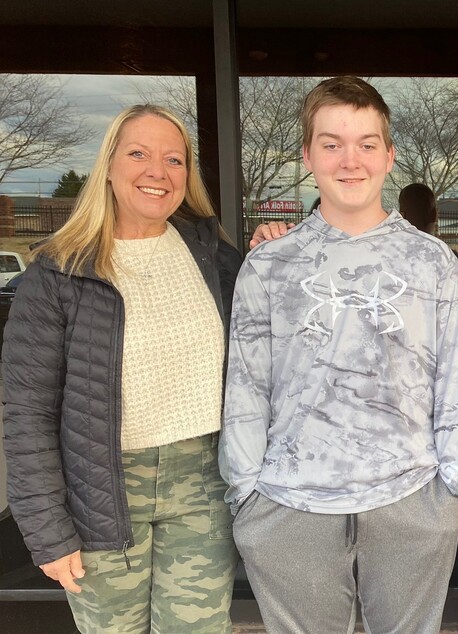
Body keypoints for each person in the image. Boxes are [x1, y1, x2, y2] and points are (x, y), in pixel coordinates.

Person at [219, 76, 458, 634]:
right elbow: (246, 388)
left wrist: (452, 487)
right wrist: (247, 495)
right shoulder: (269, 265)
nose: (349, 160)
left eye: (366, 143)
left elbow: (456, 382)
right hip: (288, 502)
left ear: (389, 156)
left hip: (411, 498)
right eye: (331, 143)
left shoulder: (433, 262)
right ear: (308, 155)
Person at [2, 104, 241, 632]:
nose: (157, 171)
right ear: (108, 165)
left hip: (203, 484)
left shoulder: (214, 258)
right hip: (100, 494)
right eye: (138, 153)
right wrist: (47, 530)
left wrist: (276, 250)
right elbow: (27, 412)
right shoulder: (57, 272)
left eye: (174, 159)